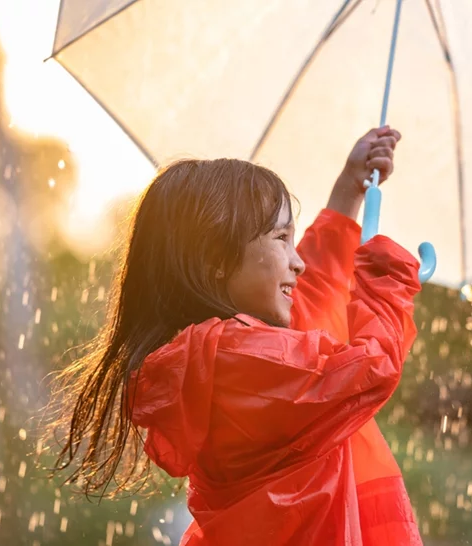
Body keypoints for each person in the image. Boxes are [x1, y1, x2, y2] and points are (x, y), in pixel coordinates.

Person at [47, 127, 424, 545]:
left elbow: (309, 300)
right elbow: (369, 371)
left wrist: (348, 192)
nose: (296, 262)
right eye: (282, 238)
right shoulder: (236, 358)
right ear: (216, 261)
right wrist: (387, 280)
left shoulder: (215, 355)